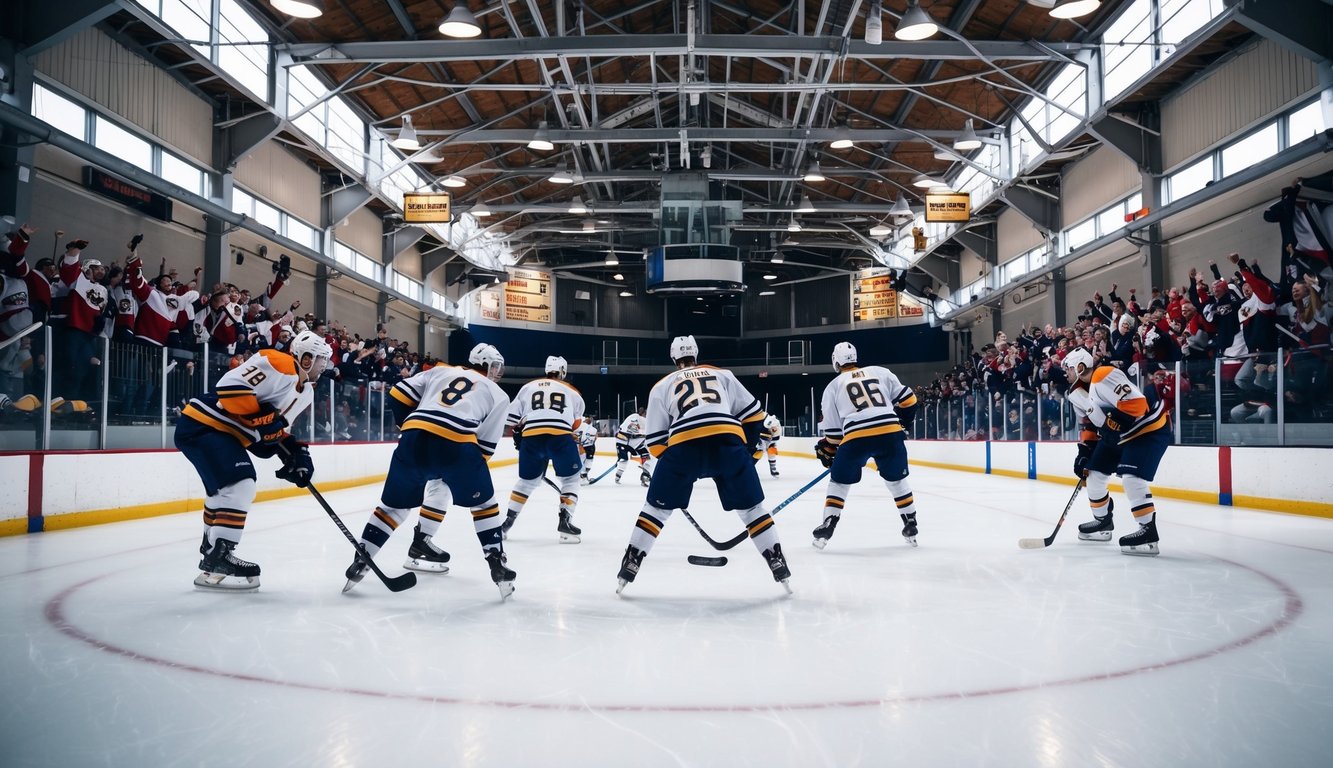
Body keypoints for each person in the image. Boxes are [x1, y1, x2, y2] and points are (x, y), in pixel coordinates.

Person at [616, 335, 790, 594]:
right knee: (753, 510)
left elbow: (654, 443)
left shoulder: (661, 386)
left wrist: (672, 475)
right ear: (696, 354)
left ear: (673, 358)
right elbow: (755, 415)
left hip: (684, 447)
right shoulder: (723, 375)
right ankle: (777, 562)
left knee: (655, 510)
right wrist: (746, 451)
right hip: (727, 442)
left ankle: (630, 564)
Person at [343, 343, 517, 599]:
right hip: (457, 443)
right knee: (484, 505)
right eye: (495, 366)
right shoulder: (498, 393)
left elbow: (398, 394)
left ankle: (362, 558)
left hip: (413, 437)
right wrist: (462, 472)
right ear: (487, 365)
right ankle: (496, 561)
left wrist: (410, 425)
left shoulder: (440, 371)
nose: (497, 372)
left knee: (394, 507)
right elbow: (485, 448)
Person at [176, 330, 332, 590]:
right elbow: (230, 387)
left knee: (222, 492)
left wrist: (296, 455)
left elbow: (274, 432)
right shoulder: (279, 363)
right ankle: (219, 556)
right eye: (322, 359)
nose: (325, 365)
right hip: (204, 423)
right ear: (306, 358)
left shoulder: (306, 393)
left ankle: (212, 551)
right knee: (240, 485)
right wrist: (263, 421)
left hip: (222, 433)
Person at [811, 342, 920, 550]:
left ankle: (829, 523)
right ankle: (910, 521)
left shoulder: (833, 386)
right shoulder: (880, 372)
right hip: (890, 432)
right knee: (897, 480)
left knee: (839, 482)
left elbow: (833, 435)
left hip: (856, 436)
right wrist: (903, 423)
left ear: (835, 361)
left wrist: (831, 450)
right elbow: (909, 400)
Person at [1062, 347, 1171, 555]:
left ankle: (1148, 532)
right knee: (1093, 475)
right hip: (1118, 435)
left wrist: (1114, 425)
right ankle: (1103, 523)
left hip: (1147, 429)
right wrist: (1085, 451)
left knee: (1132, 478)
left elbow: (1137, 405)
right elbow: (1088, 425)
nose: (1065, 373)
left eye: (1068, 368)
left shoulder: (1103, 375)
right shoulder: (1075, 394)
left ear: (1080, 366)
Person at [501, 355, 587, 543]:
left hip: (531, 437)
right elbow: (576, 424)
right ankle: (565, 521)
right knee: (571, 480)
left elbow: (510, 419)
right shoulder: (572, 391)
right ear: (563, 372)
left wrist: (520, 432)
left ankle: (506, 524)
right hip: (560, 437)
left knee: (526, 482)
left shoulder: (527, 387)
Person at [614, 405, 654, 485]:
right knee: (625, 459)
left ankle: (644, 475)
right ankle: (644, 476)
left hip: (629, 442)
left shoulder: (634, 417)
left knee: (643, 455)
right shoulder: (640, 419)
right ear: (644, 413)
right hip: (628, 442)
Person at [574, 416, 598, 483]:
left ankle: (582, 477)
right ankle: (583, 477)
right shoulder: (593, 429)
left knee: (583, 462)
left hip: (582, 446)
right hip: (588, 447)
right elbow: (595, 437)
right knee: (586, 462)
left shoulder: (580, 426)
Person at [757, 412, 782, 477]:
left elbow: (774, 439)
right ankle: (751, 465)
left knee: (772, 452)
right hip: (760, 436)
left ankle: (773, 469)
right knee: (758, 451)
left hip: (769, 439)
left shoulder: (777, 430)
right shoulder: (762, 415)